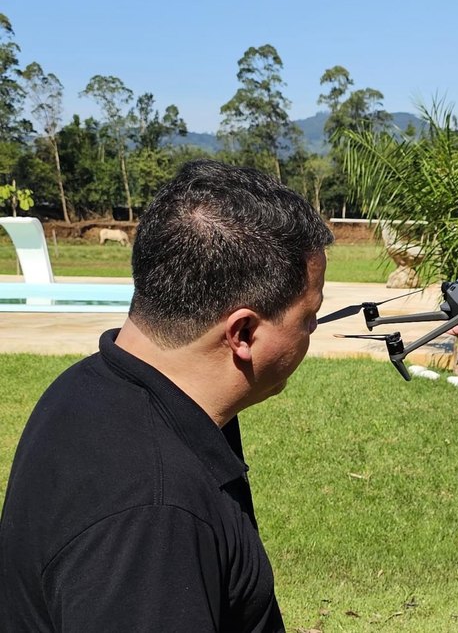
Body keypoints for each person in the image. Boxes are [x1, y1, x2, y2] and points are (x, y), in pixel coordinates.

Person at [0, 160, 334, 631]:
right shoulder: (154, 515)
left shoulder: (87, 386)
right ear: (242, 332)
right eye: (309, 316)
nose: (313, 329)